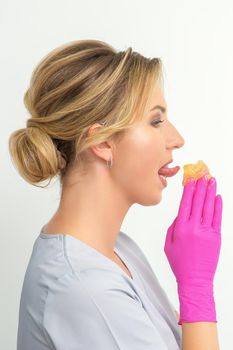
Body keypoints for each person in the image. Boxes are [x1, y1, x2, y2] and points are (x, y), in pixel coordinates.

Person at [9, 39, 222, 349]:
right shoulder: (83, 287)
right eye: (156, 121)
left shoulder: (118, 249)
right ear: (103, 143)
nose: (177, 139)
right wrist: (197, 286)